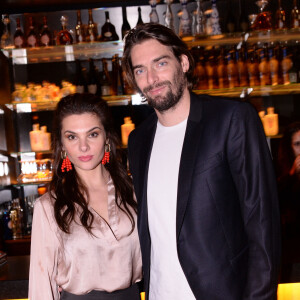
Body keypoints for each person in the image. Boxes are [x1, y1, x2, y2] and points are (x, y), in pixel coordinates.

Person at [122, 23, 281, 300]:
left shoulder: (231, 119)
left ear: (183, 62)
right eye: (140, 70)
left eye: (160, 63)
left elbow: (262, 222)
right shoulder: (138, 140)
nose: (152, 78)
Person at [28, 93, 142, 300]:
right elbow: (41, 281)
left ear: (107, 137)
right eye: (72, 137)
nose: (83, 147)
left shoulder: (134, 193)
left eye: (93, 134)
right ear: (62, 145)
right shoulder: (49, 206)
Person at [277, 121, 300, 282]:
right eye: (298, 144)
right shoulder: (280, 172)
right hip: (291, 250)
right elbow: (278, 202)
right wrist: (292, 174)